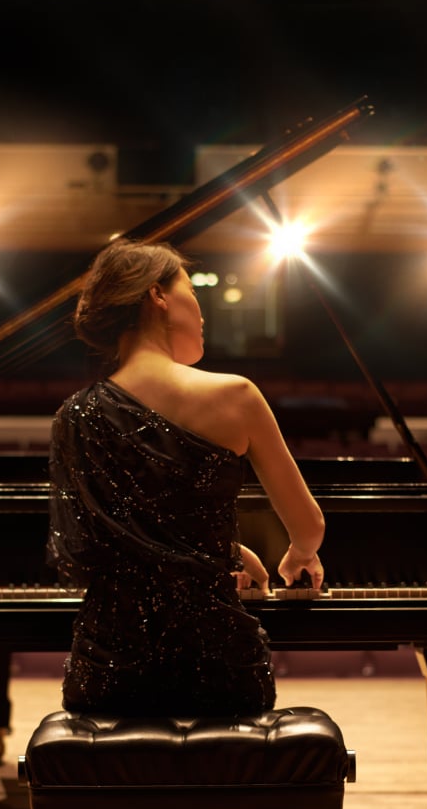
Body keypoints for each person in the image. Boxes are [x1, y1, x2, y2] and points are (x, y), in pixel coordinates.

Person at [47, 236, 325, 717]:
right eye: (192, 291)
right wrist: (295, 554)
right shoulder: (236, 396)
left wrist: (222, 552)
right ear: (158, 295)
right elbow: (308, 528)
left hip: (110, 665)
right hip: (216, 664)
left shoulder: (74, 416)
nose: (202, 312)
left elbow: (91, 551)